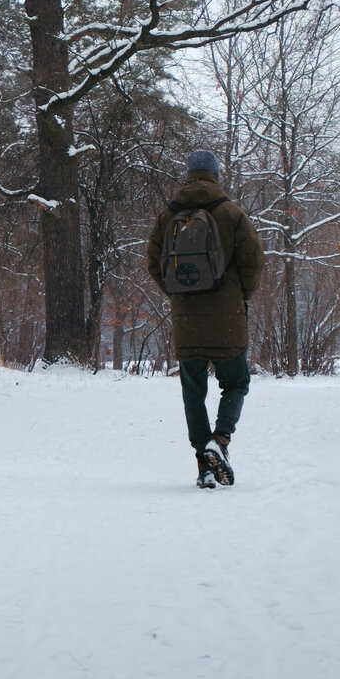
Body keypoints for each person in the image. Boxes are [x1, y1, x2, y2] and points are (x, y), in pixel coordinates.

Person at [146, 149, 264, 488]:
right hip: (227, 319)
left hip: (186, 321)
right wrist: (241, 296)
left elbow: (153, 263)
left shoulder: (167, 216)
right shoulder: (231, 213)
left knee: (193, 393)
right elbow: (253, 262)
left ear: (188, 174)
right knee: (236, 382)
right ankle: (221, 440)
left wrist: (177, 296)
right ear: (215, 174)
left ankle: (204, 464)